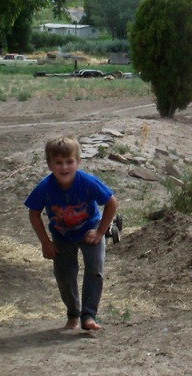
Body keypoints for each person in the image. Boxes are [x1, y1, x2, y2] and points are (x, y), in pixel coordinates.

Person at [26, 136, 117, 331]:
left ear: (78, 162)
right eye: (58, 162)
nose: (64, 167)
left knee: (95, 270)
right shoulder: (45, 187)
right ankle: (73, 314)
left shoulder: (87, 182)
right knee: (64, 276)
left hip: (89, 231)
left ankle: (89, 316)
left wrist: (100, 231)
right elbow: (33, 213)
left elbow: (111, 202)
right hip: (62, 236)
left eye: (69, 162)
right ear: (49, 165)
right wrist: (45, 242)